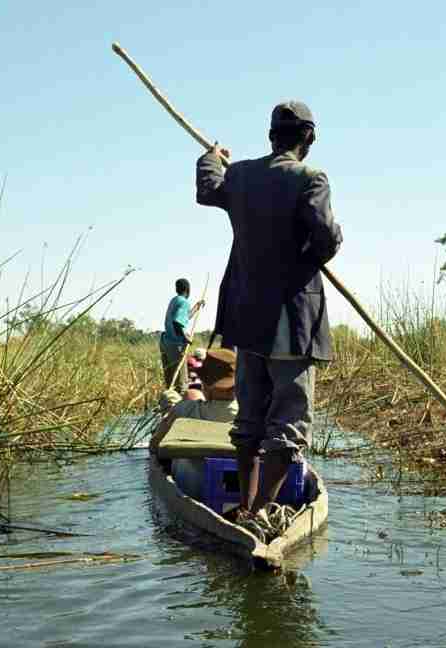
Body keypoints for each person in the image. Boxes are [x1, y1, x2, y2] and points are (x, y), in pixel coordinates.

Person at [195, 101, 342, 517]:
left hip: (247, 317)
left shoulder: (239, 174)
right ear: (308, 138)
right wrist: (317, 249)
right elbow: (326, 238)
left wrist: (210, 158)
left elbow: (209, 189)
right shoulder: (311, 178)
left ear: (271, 135)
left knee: (250, 416)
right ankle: (260, 514)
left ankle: (244, 505)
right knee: (289, 420)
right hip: (292, 318)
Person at [159, 278, 204, 392]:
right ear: (188, 290)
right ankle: (180, 407)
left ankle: (169, 404)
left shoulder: (175, 300)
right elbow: (178, 323)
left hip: (165, 343)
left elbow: (185, 318)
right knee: (181, 384)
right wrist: (186, 338)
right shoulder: (184, 302)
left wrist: (197, 306)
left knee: (170, 382)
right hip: (175, 345)